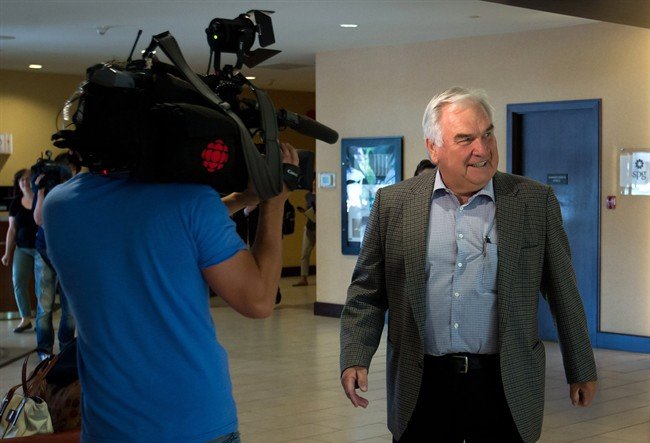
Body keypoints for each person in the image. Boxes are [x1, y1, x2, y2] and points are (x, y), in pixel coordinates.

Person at [339, 86, 597, 443]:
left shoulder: (534, 202)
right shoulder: (394, 204)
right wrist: (355, 356)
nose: (482, 149)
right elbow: (367, 292)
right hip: (422, 383)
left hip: (504, 384)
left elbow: (563, 292)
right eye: (465, 139)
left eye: (487, 133)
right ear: (433, 147)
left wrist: (580, 367)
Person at [43, 143, 299, 442]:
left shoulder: (59, 205)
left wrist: (241, 198)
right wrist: (274, 203)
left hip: (107, 423)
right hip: (194, 422)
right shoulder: (191, 201)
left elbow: (156, 221)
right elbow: (258, 300)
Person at [32, 152, 81, 358]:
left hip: (70, 252)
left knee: (69, 309)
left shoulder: (80, 189)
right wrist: (41, 191)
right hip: (45, 250)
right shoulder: (47, 189)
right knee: (45, 306)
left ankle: (66, 348)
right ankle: (44, 350)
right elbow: (39, 220)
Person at [1, 168, 38, 333]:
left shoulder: (40, 198)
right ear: (18, 183)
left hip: (40, 249)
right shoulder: (15, 202)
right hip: (22, 249)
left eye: (29, 178)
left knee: (43, 285)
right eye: (22, 179)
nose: (25, 182)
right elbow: (12, 229)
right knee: (18, 282)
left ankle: (43, 321)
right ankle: (25, 318)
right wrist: (8, 252)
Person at [293, 186, 316, 287]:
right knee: (304, 253)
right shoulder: (308, 196)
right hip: (309, 226)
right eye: (313, 182)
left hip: (321, 227)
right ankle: (303, 278)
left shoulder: (324, 195)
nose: (314, 184)